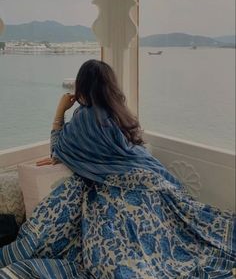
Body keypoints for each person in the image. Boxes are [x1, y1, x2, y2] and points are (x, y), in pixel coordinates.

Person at [0, 60, 235, 279]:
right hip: (153, 182)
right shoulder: (119, 113)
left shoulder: (84, 118)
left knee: (116, 253)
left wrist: (59, 111)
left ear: (82, 86)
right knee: (185, 236)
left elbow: (58, 150)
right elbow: (134, 153)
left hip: (118, 191)